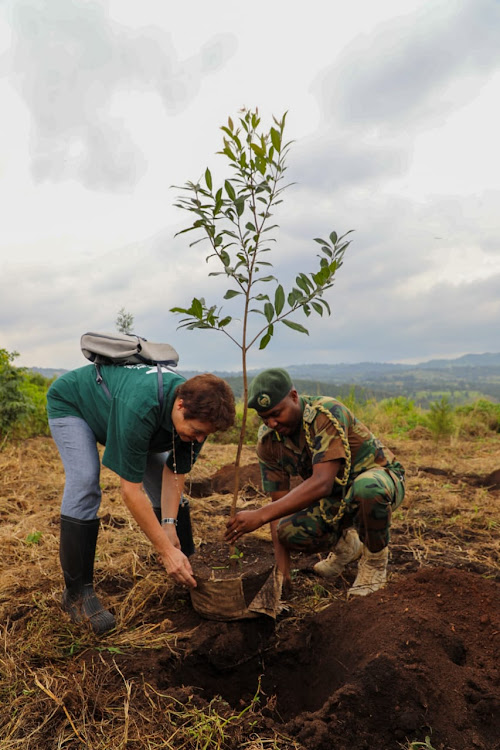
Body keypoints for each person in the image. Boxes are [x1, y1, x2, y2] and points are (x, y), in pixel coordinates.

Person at [47, 363, 235, 634]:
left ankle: (187, 566)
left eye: (206, 434)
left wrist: (168, 526)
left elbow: (175, 471)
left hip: (124, 416)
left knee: (161, 481)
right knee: (86, 480)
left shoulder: (202, 413)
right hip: (75, 405)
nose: (200, 438)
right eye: (196, 431)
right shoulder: (141, 406)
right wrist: (165, 550)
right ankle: (77, 595)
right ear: (180, 405)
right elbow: (130, 491)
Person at [225, 368, 405, 597]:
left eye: (276, 413)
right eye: (264, 418)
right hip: (336, 498)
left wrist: (259, 515)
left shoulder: (325, 413)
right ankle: (347, 548)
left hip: (380, 481)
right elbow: (278, 506)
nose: (271, 423)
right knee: (288, 531)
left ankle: (374, 561)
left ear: (293, 396)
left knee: (367, 488)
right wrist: (282, 572)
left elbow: (322, 483)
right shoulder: (269, 443)